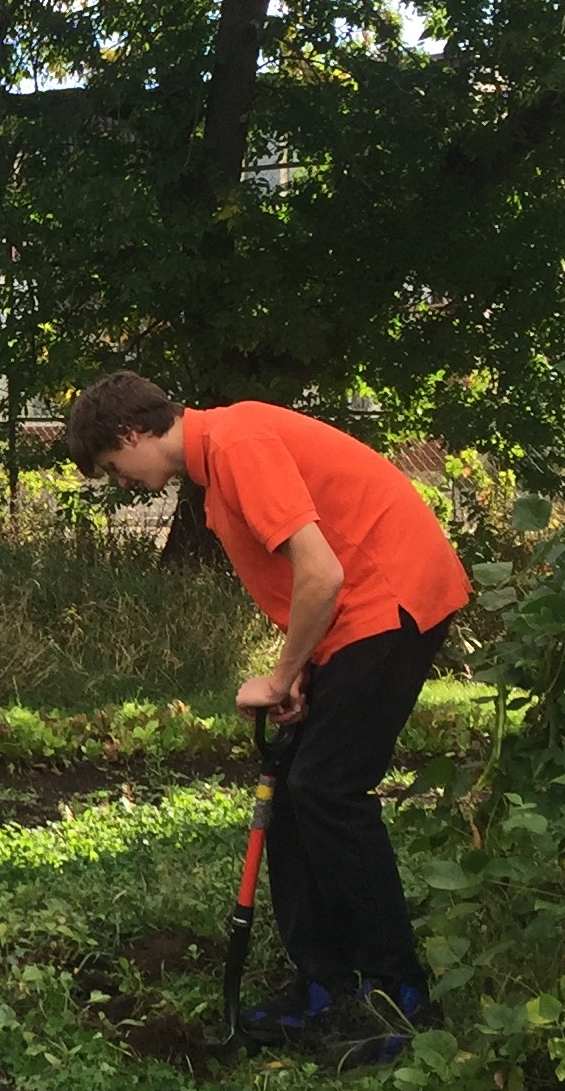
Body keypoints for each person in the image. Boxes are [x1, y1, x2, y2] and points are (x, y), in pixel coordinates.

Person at [64, 373, 467, 1046]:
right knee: (290, 794)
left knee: (327, 789)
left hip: (392, 605)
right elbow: (311, 578)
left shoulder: (237, 445)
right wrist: (305, 668)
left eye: (113, 467)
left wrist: (280, 675)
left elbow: (324, 572)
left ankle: (398, 995)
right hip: (356, 621)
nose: (122, 482)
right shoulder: (220, 463)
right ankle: (322, 984)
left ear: (131, 434)